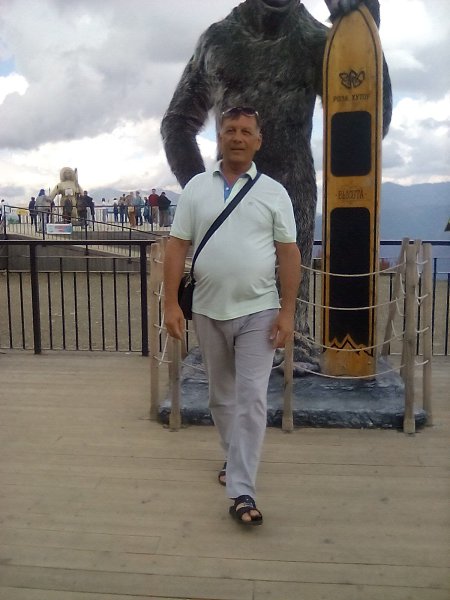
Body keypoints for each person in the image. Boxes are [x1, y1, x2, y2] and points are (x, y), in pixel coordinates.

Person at [164, 107, 301, 526]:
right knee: (220, 397)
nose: (237, 137)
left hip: (259, 309)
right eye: (230, 130)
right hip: (207, 308)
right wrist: (170, 304)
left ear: (258, 141)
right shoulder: (196, 189)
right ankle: (232, 455)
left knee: (252, 398)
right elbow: (177, 245)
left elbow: (289, 252)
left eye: (245, 131)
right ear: (219, 138)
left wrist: (288, 311)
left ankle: (242, 490)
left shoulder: (274, 192)